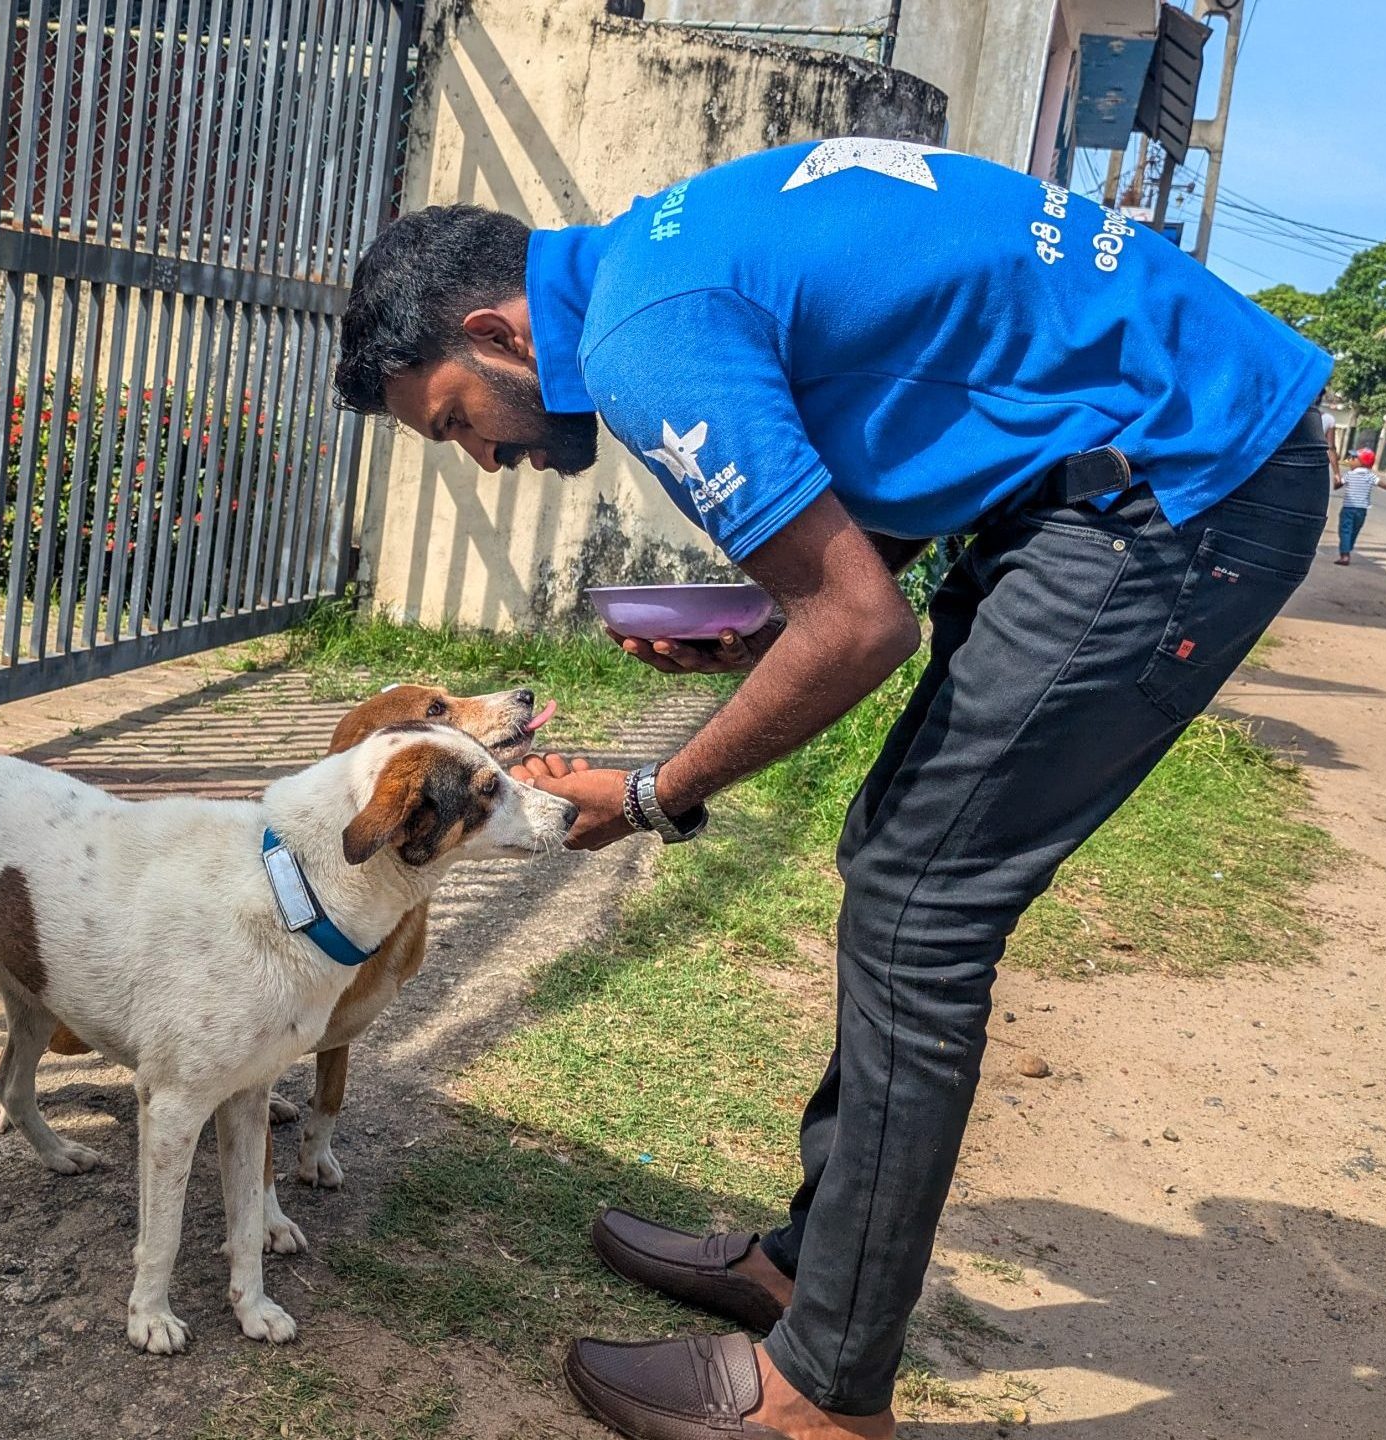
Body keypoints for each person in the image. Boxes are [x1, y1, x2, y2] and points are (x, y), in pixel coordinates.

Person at [333, 140, 1331, 1440]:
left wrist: (647, 793)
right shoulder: (659, 257)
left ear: (495, 330)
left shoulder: (643, 334)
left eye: (458, 418)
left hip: (1184, 493)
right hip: (1094, 485)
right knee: (895, 864)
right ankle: (810, 1270)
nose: (481, 457)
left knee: (922, 904)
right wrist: (757, 632)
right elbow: (891, 486)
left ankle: (825, 1393)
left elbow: (860, 627)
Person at [1332, 447, 1386, 564]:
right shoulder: (1370, 476)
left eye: (1353, 458)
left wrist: (1336, 479)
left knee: (1345, 530)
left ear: (1361, 462)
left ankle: (1345, 555)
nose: (1350, 461)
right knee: (1354, 531)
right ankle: (1347, 550)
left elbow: (1337, 486)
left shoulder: (1349, 475)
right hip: (1362, 511)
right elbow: (1385, 486)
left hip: (1348, 508)